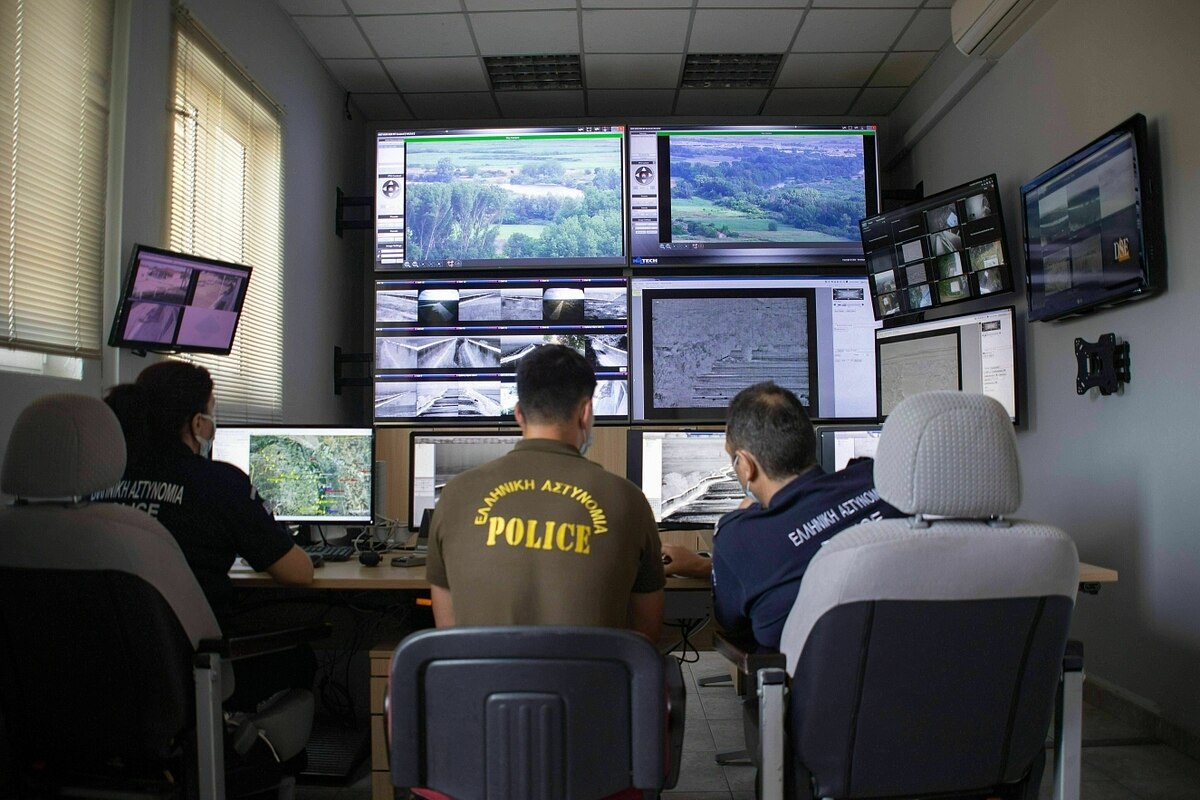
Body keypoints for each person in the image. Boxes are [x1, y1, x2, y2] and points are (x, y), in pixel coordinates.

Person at [93, 360, 315, 712]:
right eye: (212, 413)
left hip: (109, 672)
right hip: (194, 670)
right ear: (198, 423)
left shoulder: (97, 483)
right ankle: (241, 742)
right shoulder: (219, 483)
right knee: (302, 657)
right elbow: (298, 573)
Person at [426, 344, 665, 642]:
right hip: (589, 674)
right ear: (586, 412)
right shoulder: (628, 499)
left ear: (518, 414)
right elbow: (646, 635)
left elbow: (448, 635)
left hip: (483, 674)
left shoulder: (454, 494)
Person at [662, 381, 903, 649]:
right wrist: (705, 565)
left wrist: (734, 531)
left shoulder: (740, 538)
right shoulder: (879, 482)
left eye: (734, 459)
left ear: (747, 466)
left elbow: (731, 625)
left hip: (817, 671)